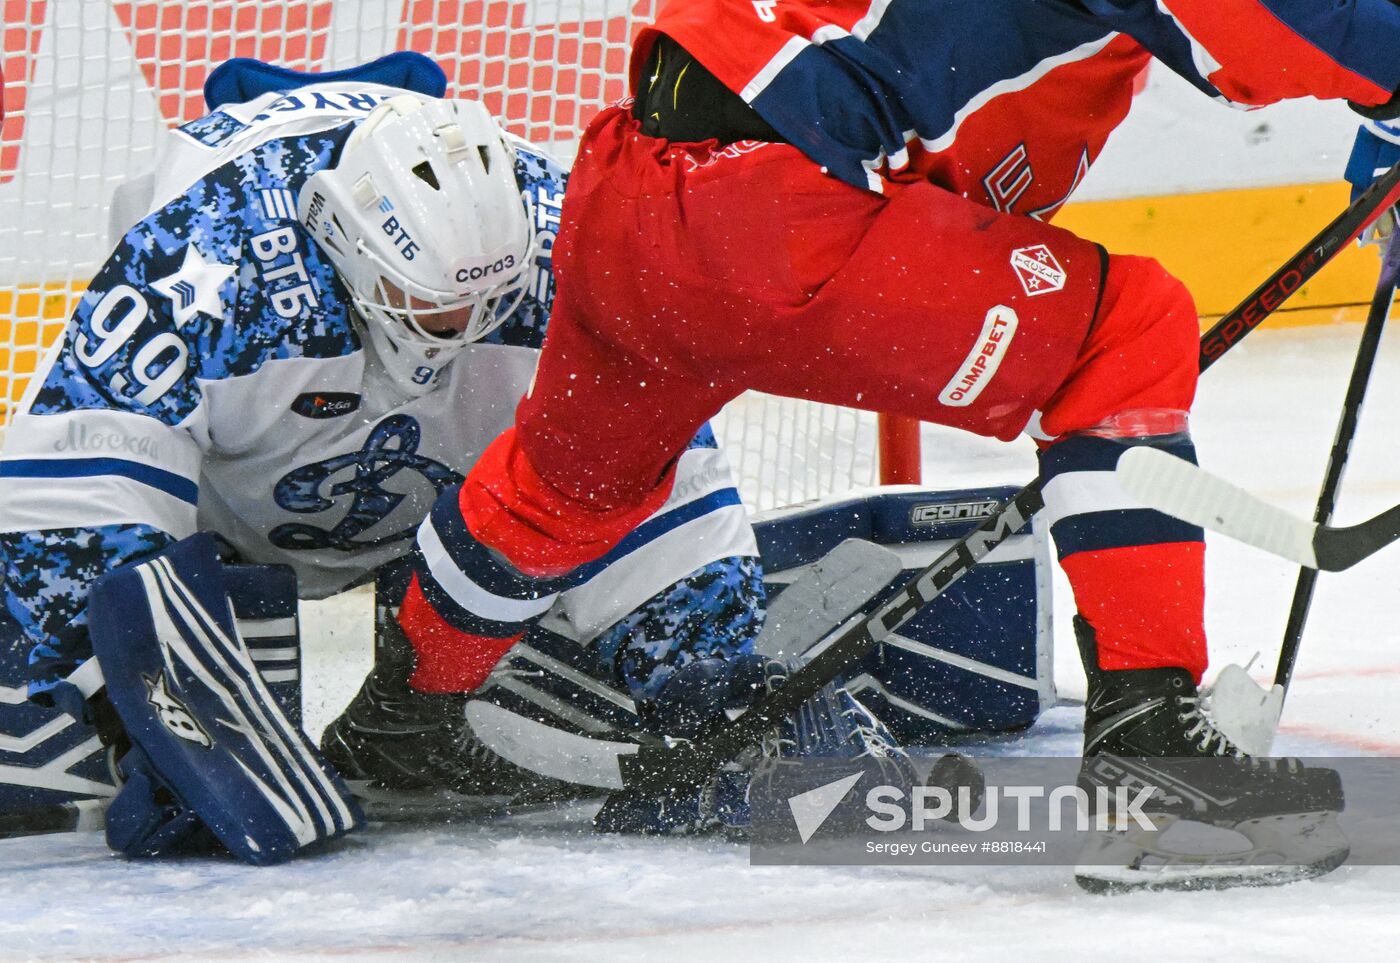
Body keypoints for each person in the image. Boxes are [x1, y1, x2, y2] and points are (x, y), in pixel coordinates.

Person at [359, 0, 1389, 874]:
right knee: (1121, 334)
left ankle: (398, 729)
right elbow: (1282, 28)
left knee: (561, 488)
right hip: (778, 216)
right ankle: (1155, 758)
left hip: (629, 192)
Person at [0, 51, 896, 838]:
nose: (464, 330)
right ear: (349, 250)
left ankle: (441, 655)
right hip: (222, 526)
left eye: (489, 304)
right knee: (51, 737)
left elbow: (649, 456)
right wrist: (129, 696)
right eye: (435, 309)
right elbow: (74, 487)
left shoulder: (566, 244)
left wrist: (699, 664)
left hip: (447, 514)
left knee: (629, 585)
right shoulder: (205, 261)